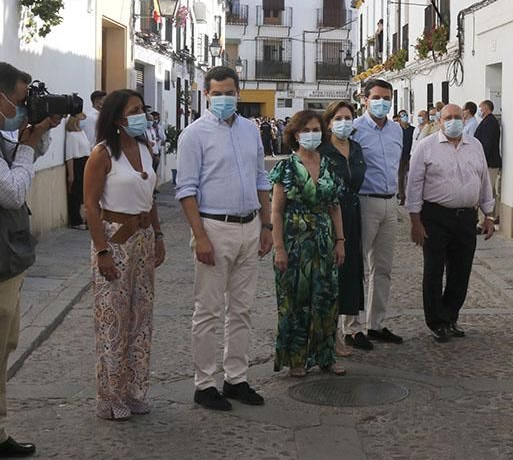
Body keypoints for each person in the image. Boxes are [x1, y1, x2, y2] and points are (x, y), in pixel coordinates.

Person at [175, 66, 272, 411]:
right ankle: (204, 384)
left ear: (239, 92)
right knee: (208, 310)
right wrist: (199, 236)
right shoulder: (193, 135)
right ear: (206, 95)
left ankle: (236, 378)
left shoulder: (250, 131)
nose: (224, 99)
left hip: (250, 226)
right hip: (214, 228)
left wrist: (267, 226)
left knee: (242, 309)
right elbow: (186, 189)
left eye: (229, 92)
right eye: (217, 93)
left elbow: (261, 178)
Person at [82, 89, 165, 420]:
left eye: (142, 109)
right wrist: (102, 249)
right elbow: (90, 205)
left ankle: (134, 390)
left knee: (140, 319)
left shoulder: (145, 148)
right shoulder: (101, 154)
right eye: (135, 110)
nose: (141, 114)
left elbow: (151, 196)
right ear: (118, 118)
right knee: (112, 320)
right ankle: (109, 396)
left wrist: (158, 235)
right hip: (115, 240)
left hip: (143, 238)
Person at [0, 63, 61, 457]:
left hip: (8, 262)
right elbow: (12, 193)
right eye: (21, 101)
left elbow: (26, 155)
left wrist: (39, 133)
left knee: (4, 349)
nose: (23, 108)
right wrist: (25, 148)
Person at [406, 104, 495, 343]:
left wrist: (489, 214)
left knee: (461, 271)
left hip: (467, 218)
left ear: (464, 119)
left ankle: (450, 316)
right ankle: (437, 321)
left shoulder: (475, 146)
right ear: (440, 121)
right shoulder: (426, 147)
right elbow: (414, 184)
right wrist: (415, 220)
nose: (453, 121)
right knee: (434, 271)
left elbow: (484, 180)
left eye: (457, 117)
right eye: (448, 117)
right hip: (435, 217)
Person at [270, 110, 346, 377]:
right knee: (295, 301)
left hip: (324, 241)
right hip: (294, 242)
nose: (311, 135)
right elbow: (277, 211)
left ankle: (326, 356)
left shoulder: (328, 165)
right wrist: (278, 246)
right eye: (306, 130)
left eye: (316, 130)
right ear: (294, 134)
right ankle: (297, 359)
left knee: (327, 298)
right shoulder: (286, 167)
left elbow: (335, 206)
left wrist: (340, 240)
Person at [345, 78, 404, 350]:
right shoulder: (354, 130)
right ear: (364, 99)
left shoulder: (397, 130)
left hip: (390, 203)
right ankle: (351, 328)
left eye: (387, 98)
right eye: (377, 97)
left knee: (384, 268)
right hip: (364, 201)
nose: (383, 102)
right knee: (358, 266)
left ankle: (376, 324)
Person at [318, 101, 366, 358]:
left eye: (348, 117)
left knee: (349, 273)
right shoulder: (321, 150)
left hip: (353, 214)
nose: (344, 122)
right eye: (338, 118)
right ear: (329, 122)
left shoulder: (356, 148)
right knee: (329, 275)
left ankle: (346, 330)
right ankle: (328, 336)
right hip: (328, 217)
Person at [474, 100, 502, 230]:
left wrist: (481, 160)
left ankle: (484, 221)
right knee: (491, 191)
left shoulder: (490, 122)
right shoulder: (487, 121)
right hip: (488, 162)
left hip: (489, 163)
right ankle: (492, 217)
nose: (479, 110)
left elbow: (487, 144)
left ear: (486, 108)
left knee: (487, 191)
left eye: (480, 107)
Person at [64, 113, 91, 230]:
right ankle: (76, 220)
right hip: (77, 163)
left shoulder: (82, 133)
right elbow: (69, 155)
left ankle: (85, 218)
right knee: (75, 192)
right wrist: (71, 174)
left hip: (86, 161)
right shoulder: (71, 136)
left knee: (84, 192)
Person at [397, 111, 415, 205]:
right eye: (402, 116)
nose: (405, 117)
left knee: (410, 176)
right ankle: (402, 196)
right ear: (399, 118)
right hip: (400, 156)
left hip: (410, 156)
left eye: (406, 115)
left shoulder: (412, 129)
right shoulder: (397, 130)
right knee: (400, 177)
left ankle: (410, 196)